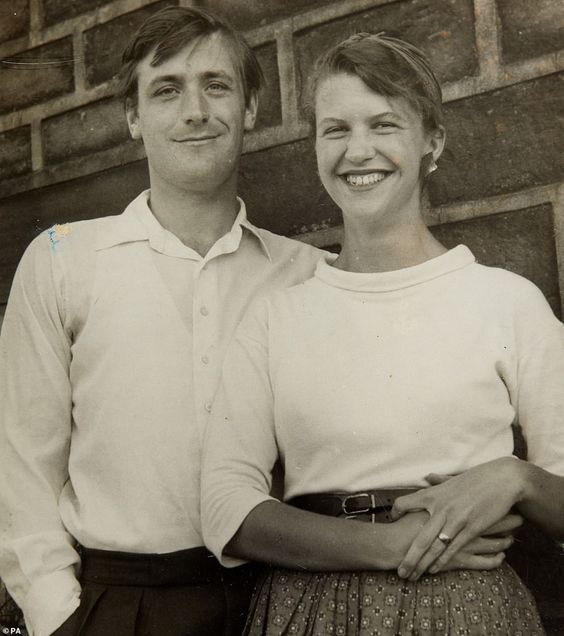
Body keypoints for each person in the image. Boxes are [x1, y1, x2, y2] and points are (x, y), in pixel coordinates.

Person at [201, 33, 564, 634]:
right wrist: (391, 547)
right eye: (336, 129)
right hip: (308, 608)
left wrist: (515, 478)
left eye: (384, 125)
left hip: (468, 608)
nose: (358, 150)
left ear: (432, 142)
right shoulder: (276, 319)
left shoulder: (506, 303)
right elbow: (226, 509)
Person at [0, 6, 327, 636]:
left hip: (277, 600)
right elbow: (20, 470)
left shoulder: (308, 274)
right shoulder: (64, 261)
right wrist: (60, 619)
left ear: (251, 108)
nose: (195, 110)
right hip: (120, 605)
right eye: (167, 90)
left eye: (217, 85)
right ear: (133, 117)